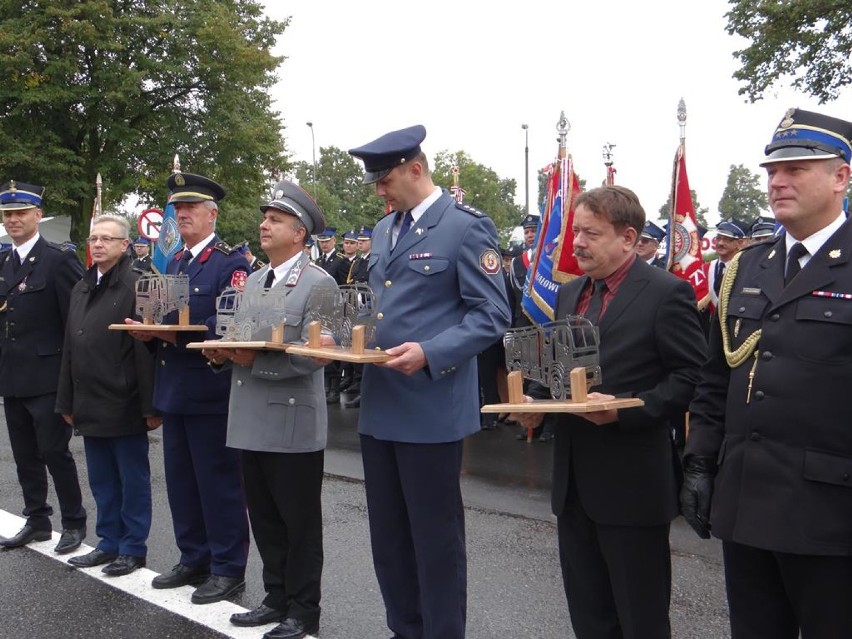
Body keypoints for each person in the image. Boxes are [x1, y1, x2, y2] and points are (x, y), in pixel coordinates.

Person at [681, 108, 852, 638]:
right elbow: (716, 377)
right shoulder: (745, 268)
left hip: (832, 514)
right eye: (772, 171)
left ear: (841, 176)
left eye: (797, 169)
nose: (778, 181)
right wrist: (700, 464)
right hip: (747, 502)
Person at [520, 185, 706, 638]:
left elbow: (693, 378)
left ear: (627, 238)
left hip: (632, 485)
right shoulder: (571, 294)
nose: (577, 243)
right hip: (573, 485)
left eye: (591, 233)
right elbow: (560, 372)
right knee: (590, 617)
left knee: (639, 618)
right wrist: (535, 403)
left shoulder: (667, 293)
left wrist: (629, 410)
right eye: (576, 232)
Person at [348, 124, 511, 639]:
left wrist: (430, 353)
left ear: (416, 169)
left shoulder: (464, 227)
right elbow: (381, 307)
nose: (379, 190)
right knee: (389, 540)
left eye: (386, 178)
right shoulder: (381, 231)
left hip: (431, 408)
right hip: (380, 406)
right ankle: (406, 630)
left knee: (435, 542)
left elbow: (492, 314)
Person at [204, 181, 336, 639]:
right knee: (264, 519)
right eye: (265, 218)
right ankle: (275, 596)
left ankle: (304, 610)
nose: (264, 225)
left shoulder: (319, 283)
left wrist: (254, 360)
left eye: (275, 220)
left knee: (299, 524)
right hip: (249, 418)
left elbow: (320, 355)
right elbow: (243, 339)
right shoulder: (256, 280)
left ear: (299, 233)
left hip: (290, 420)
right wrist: (222, 353)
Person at [128, 172, 250, 604]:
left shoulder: (231, 264)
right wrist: (147, 331)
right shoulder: (175, 262)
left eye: (191, 209)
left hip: (210, 389)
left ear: (212, 214)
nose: (181, 215)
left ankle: (227, 567)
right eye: (177, 209)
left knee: (218, 483)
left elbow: (228, 325)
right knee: (181, 482)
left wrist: (168, 335)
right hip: (175, 387)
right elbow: (163, 318)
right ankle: (193, 556)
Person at [57, 215, 160, 576]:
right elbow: (71, 345)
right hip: (89, 399)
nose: (98, 244)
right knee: (101, 479)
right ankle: (108, 542)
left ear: (123, 245)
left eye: (106, 239)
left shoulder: (137, 284)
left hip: (124, 399)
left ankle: (133, 547)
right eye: (93, 238)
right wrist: (65, 400)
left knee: (131, 479)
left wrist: (150, 405)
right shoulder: (82, 286)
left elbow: (147, 353)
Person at [0, 180, 87, 554]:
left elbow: (75, 322)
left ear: (38, 215)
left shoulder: (58, 258)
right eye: (8, 214)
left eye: (21, 213)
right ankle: (37, 519)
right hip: (12, 375)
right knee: (24, 454)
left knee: (54, 452)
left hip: (49, 376)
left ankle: (73, 522)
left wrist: (74, 381)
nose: (14, 220)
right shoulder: (3, 261)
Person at [340, 226, 372, 409]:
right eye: (358, 240)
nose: (360, 243)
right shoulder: (357, 262)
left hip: (369, 308)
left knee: (365, 347)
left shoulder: (375, 260)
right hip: (356, 307)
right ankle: (358, 384)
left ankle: (363, 389)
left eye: (364, 240)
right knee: (355, 346)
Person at [508, 213, 539, 326]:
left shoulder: (549, 260)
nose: (530, 235)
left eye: (534, 231)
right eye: (526, 232)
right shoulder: (516, 262)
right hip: (523, 327)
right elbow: (511, 298)